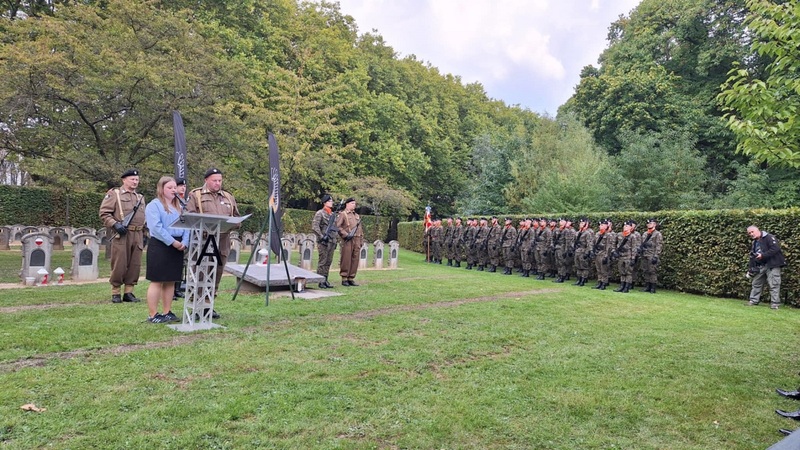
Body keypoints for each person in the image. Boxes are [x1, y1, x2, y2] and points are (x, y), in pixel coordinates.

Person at [185, 168, 240, 318]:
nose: (217, 183)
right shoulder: (196, 195)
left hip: (222, 240)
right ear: (206, 180)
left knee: (216, 273)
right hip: (203, 240)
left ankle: (208, 305)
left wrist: (235, 223)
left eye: (220, 180)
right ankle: (196, 305)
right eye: (214, 180)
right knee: (200, 273)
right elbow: (189, 216)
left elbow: (236, 217)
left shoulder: (228, 197)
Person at [144, 176, 189, 323]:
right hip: (161, 245)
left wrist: (185, 242)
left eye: (174, 187)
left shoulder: (180, 207)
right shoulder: (154, 205)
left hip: (178, 246)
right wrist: (173, 242)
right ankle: (153, 314)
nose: (173, 190)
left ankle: (167, 311)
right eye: (169, 188)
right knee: (157, 280)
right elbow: (156, 228)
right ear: (161, 189)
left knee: (171, 280)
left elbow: (188, 224)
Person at [99, 169, 146, 304]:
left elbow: (144, 217)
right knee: (120, 263)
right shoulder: (115, 194)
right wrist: (115, 224)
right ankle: (115, 292)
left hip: (137, 233)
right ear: (124, 180)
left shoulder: (140, 198)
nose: (135, 182)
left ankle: (129, 292)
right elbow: (104, 213)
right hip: (122, 234)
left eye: (137, 179)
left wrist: (146, 232)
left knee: (135, 264)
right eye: (132, 179)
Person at [746, 225, 786, 309]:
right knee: (756, 283)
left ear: (757, 230)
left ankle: (775, 304)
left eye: (752, 232)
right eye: (749, 233)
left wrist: (763, 255)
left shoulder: (769, 237)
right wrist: (751, 268)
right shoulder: (755, 242)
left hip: (772, 265)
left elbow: (775, 249)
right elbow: (752, 256)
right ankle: (753, 301)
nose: (751, 234)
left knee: (774, 284)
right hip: (761, 266)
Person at [336, 197, 363, 286]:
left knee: (355, 259)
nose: (354, 205)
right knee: (346, 259)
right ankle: (344, 277)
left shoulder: (356, 215)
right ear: (347, 204)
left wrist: (361, 240)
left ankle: (351, 277)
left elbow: (360, 229)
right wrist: (345, 234)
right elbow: (338, 226)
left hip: (357, 239)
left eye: (355, 203)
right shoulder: (343, 214)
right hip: (348, 239)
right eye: (352, 203)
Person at [312, 194, 337, 288]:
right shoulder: (320, 213)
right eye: (330, 201)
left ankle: (325, 279)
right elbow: (315, 226)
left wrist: (335, 240)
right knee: (322, 261)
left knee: (328, 262)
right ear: (325, 202)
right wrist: (322, 237)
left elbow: (334, 228)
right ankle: (320, 281)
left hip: (332, 241)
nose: (332, 203)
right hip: (323, 241)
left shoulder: (332, 214)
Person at [638, 218, 664, 293]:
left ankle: (653, 287)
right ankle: (647, 286)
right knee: (645, 270)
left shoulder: (657, 234)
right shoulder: (645, 234)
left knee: (652, 271)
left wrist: (656, 256)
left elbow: (658, 246)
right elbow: (642, 243)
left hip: (652, 255)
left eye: (650, 223)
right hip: (645, 255)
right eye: (648, 224)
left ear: (655, 224)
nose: (648, 225)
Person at [173, 177, 188, 300]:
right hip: (173, 235)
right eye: (180, 186)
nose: (183, 188)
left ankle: (177, 288)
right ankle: (170, 289)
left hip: (183, 235)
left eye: (184, 186)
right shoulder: (171, 202)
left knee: (181, 263)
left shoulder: (184, 202)